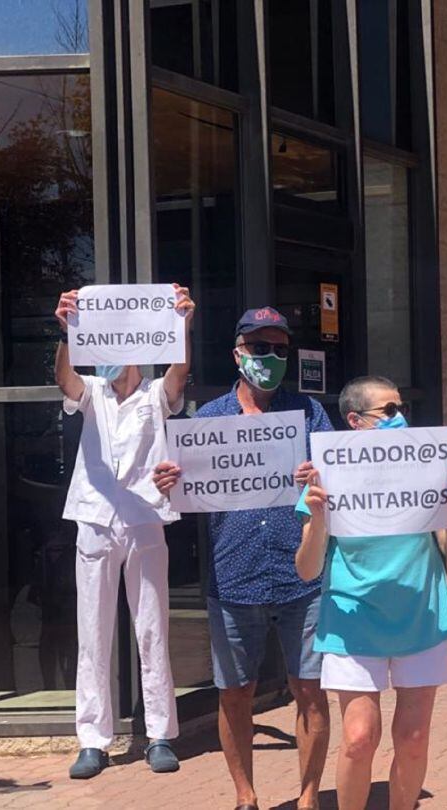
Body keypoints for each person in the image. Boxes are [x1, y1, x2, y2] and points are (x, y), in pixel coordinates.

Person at [153, 307, 330, 810]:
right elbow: (181, 497)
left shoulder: (310, 414)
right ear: (238, 354)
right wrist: (170, 483)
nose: (270, 358)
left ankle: (309, 796)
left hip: (303, 575)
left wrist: (320, 476)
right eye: (259, 348)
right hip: (234, 576)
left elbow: (337, 483)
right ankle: (245, 797)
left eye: (279, 349)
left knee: (310, 691)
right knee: (234, 693)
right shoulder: (206, 422)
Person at [294, 375, 447, 810]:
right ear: (355, 421)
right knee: (358, 738)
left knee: (412, 739)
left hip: (421, 616)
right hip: (353, 622)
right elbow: (307, 568)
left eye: (401, 408)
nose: (400, 417)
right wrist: (317, 518)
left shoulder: (426, 466)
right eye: (388, 411)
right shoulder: (325, 474)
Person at [54, 284, 195, 780]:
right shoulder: (92, 392)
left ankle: (159, 734)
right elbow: (65, 378)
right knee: (92, 633)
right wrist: (68, 330)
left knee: (152, 628)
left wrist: (181, 322)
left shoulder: (155, 395)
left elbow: (178, 375)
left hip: (144, 521)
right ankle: (93, 740)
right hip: (94, 520)